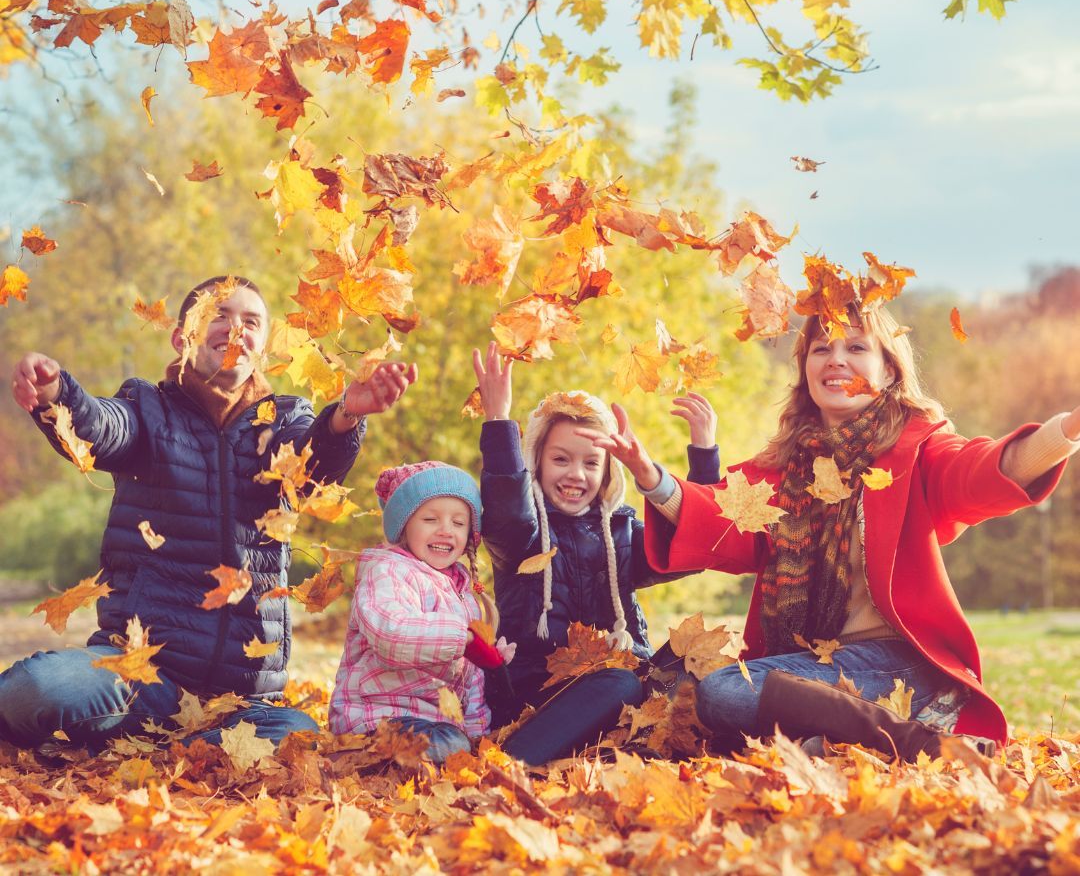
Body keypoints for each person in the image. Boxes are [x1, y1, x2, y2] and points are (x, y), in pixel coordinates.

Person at [582, 305, 1077, 760]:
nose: (836, 359)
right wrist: (651, 476)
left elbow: (980, 471)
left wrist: (1065, 432)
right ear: (805, 372)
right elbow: (721, 518)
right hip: (812, 667)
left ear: (889, 371)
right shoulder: (781, 469)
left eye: (856, 347)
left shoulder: (917, 448)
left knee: (724, 693)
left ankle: (927, 745)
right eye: (822, 348)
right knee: (686, 695)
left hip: (900, 664)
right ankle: (837, 747)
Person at [2, 274, 417, 752]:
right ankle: (141, 733)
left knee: (297, 734)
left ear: (263, 344)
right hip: (142, 674)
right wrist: (58, 395)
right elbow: (103, 427)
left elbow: (313, 462)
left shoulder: (284, 420)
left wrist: (346, 414)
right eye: (218, 314)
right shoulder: (147, 407)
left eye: (250, 320)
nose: (234, 327)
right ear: (183, 337)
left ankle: (155, 745)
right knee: (36, 687)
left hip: (242, 700)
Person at [470, 343, 713, 765]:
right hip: (538, 694)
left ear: (606, 472)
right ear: (538, 463)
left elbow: (691, 548)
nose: (575, 474)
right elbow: (506, 511)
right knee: (618, 685)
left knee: (691, 657)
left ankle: (635, 746)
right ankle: (511, 763)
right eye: (560, 459)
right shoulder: (524, 535)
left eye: (590, 463)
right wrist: (498, 421)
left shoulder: (618, 532)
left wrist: (704, 456)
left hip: (617, 678)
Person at [328, 461, 515, 764]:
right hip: (377, 717)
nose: (445, 531)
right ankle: (369, 759)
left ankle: (455, 752)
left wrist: (478, 736)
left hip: (436, 723)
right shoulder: (388, 572)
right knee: (447, 747)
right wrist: (462, 639)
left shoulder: (464, 596)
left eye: (458, 523)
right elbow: (391, 634)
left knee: (457, 748)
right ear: (403, 527)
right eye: (430, 519)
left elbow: (470, 683)